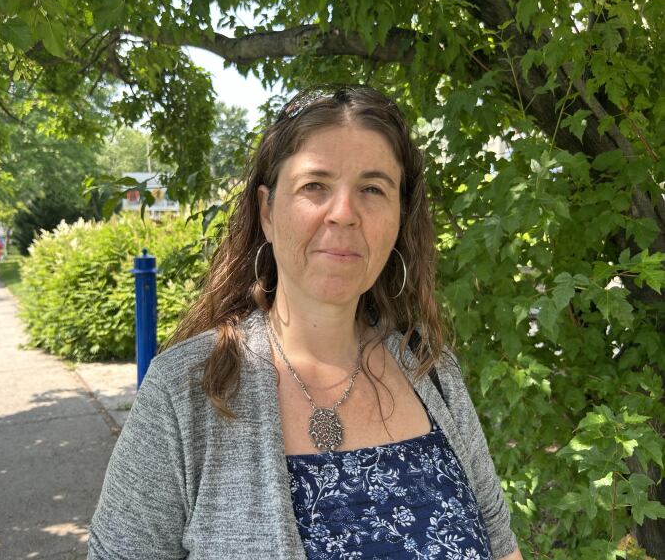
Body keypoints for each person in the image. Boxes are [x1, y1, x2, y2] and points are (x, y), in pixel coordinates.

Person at [88, 86, 523, 560]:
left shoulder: (434, 374)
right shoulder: (185, 393)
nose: (343, 214)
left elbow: (502, 548)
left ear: (400, 218)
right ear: (267, 211)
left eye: (373, 189)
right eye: (315, 185)